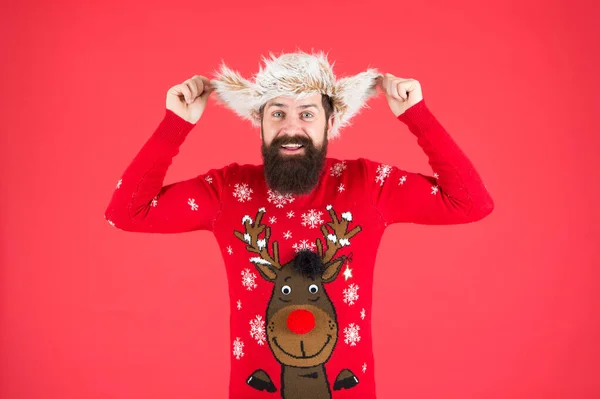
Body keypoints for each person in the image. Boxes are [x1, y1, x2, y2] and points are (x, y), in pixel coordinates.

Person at [104, 51, 494, 399]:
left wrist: (417, 116)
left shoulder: (367, 185)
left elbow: (471, 203)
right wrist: (176, 124)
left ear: (331, 121)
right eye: (278, 113)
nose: (292, 128)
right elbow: (126, 212)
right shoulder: (228, 190)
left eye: (307, 113)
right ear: (259, 121)